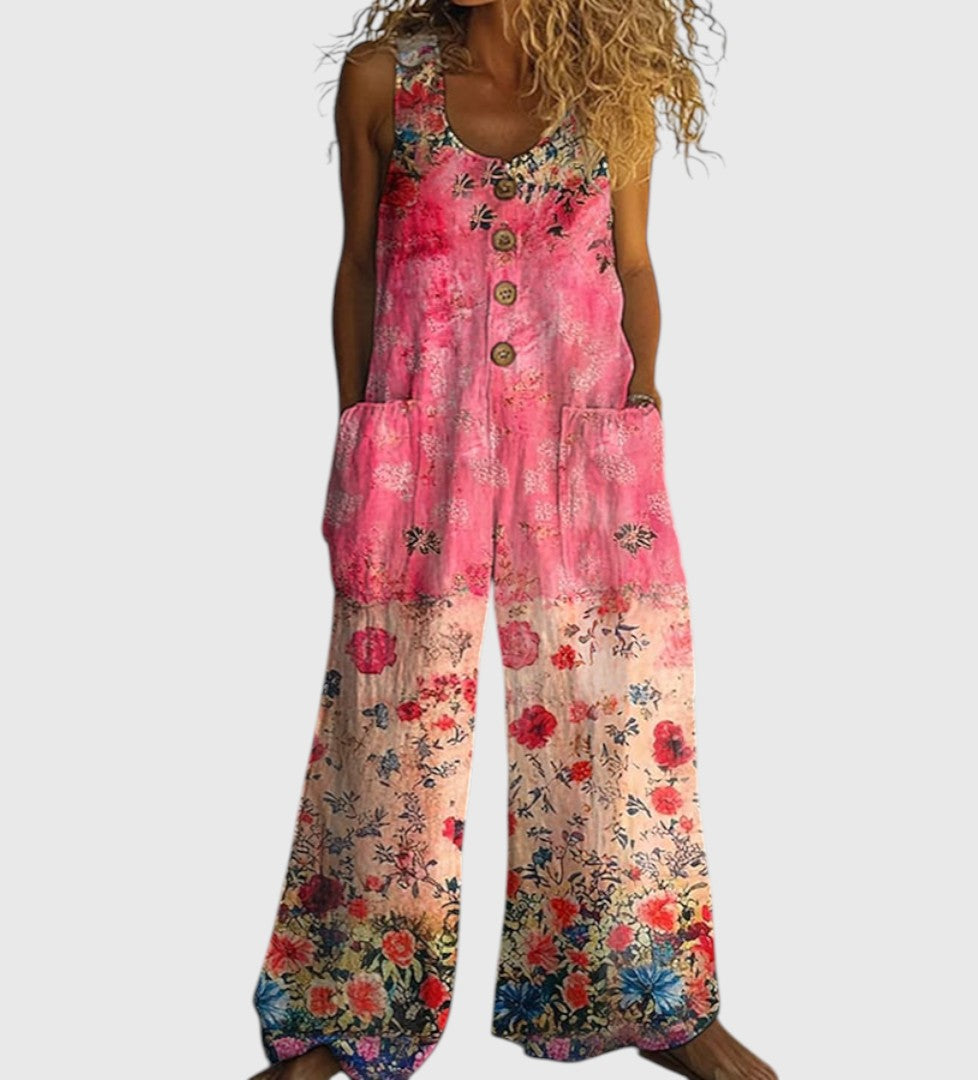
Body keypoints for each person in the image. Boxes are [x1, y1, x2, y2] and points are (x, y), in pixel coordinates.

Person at [249, 3, 777, 1079]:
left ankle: (648, 999)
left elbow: (633, 264)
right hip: (419, 436)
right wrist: (360, 431)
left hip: (583, 436)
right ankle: (348, 1012)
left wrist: (641, 411)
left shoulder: (612, 90)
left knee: (619, 716)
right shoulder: (384, 81)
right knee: (386, 722)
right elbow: (359, 268)